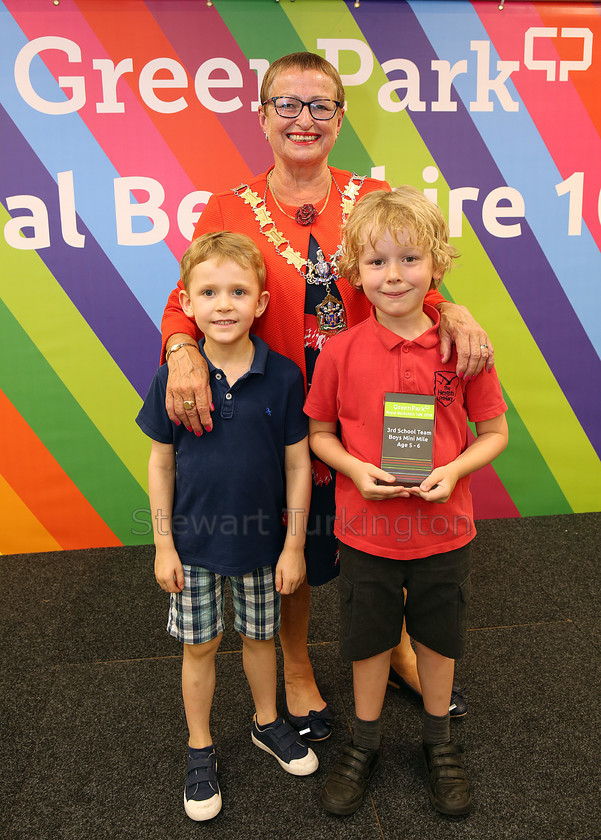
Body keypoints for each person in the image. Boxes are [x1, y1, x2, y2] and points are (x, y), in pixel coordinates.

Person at [159, 52, 494, 737]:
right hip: (277, 414)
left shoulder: (372, 193)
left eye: (320, 105)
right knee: (297, 544)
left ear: (340, 117)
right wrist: (181, 348)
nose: (302, 119)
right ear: (261, 116)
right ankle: (297, 663)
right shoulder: (227, 207)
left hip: (370, 408)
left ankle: (400, 648)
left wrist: (450, 310)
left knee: (395, 534)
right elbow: (182, 300)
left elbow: (407, 278)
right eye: (286, 103)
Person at [304, 187, 508, 816]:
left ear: (437, 264)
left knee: (438, 640)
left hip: (444, 530)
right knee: (368, 640)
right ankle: (364, 743)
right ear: (355, 273)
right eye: (376, 262)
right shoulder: (339, 350)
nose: (394, 275)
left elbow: (494, 433)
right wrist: (358, 471)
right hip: (365, 529)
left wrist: (453, 470)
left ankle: (438, 741)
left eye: (410, 259)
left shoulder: (464, 348)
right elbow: (319, 435)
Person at [136, 231, 318, 821]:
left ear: (261, 303)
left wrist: (293, 546)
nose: (223, 304)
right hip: (192, 548)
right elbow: (161, 462)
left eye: (238, 291)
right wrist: (163, 545)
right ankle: (200, 748)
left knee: (260, 639)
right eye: (208, 292)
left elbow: (298, 462)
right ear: (185, 304)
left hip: (264, 546)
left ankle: (268, 723)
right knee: (202, 646)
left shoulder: (285, 377)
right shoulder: (173, 379)